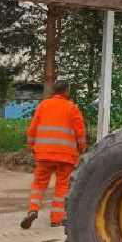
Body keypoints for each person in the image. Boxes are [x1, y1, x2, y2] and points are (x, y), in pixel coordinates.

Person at [21, 77, 86, 229]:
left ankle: (33, 210)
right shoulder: (72, 108)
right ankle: (56, 219)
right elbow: (80, 133)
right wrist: (82, 149)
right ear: (66, 91)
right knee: (62, 187)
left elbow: (31, 130)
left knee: (38, 184)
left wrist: (32, 147)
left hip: (43, 154)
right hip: (66, 157)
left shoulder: (43, 105)